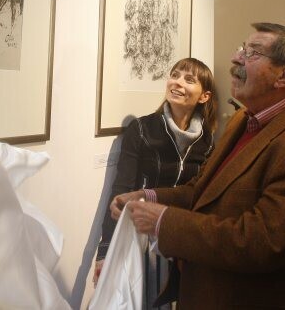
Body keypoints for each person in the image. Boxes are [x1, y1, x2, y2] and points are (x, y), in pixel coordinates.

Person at [111, 23, 285, 309]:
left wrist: (163, 221)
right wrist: (148, 196)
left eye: (253, 53)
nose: (236, 58)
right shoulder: (242, 120)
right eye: (242, 48)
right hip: (204, 290)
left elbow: (262, 241)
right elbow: (203, 190)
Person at [93, 57, 217, 307]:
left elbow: (203, 193)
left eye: (189, 79)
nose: (177, 82)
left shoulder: (207, 141)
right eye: (175, 75)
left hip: (182, 236)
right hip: (142, 237)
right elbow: (121, 191)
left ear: (204, 96)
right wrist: (104, 251)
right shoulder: (141, 129)